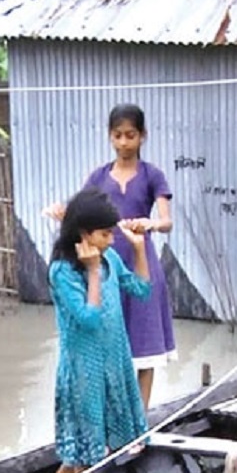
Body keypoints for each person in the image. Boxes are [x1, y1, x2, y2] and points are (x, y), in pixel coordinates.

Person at [33, 187, 151, 473]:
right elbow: (87, 317)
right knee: (85, 448)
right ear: (84, 235)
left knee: (99, 440)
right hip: (83, 370)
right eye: (105, 234)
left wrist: (138, 248)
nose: (110, 239)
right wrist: (94, 272)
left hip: (114, 361)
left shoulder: (111, 256)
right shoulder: (63, 271)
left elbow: (143, 289)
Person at [44, 103, 176, 410]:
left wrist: (150, 223)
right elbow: (80, 213)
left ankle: (140, 418)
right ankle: (110, 415)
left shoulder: (152, 174)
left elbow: (167, 221)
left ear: (142, 136)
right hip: (102, 266)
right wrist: (62, 213)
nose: (124, 143)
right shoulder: (99, 176)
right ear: (109, 136)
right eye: (117, 136)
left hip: (139, 261)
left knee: (145, 345)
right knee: (103, 337)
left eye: (130, 135)